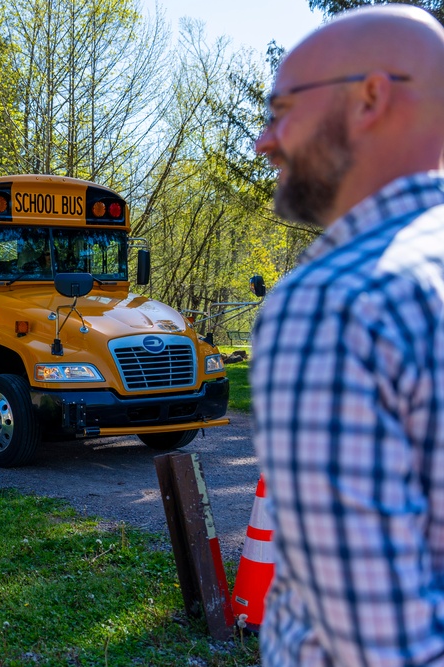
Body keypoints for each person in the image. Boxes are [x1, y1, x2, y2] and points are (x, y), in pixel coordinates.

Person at [251, 6, 444, 665]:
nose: (264, 140)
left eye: (280, 109)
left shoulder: (335, 304)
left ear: (370, 97)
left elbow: (378, 650)